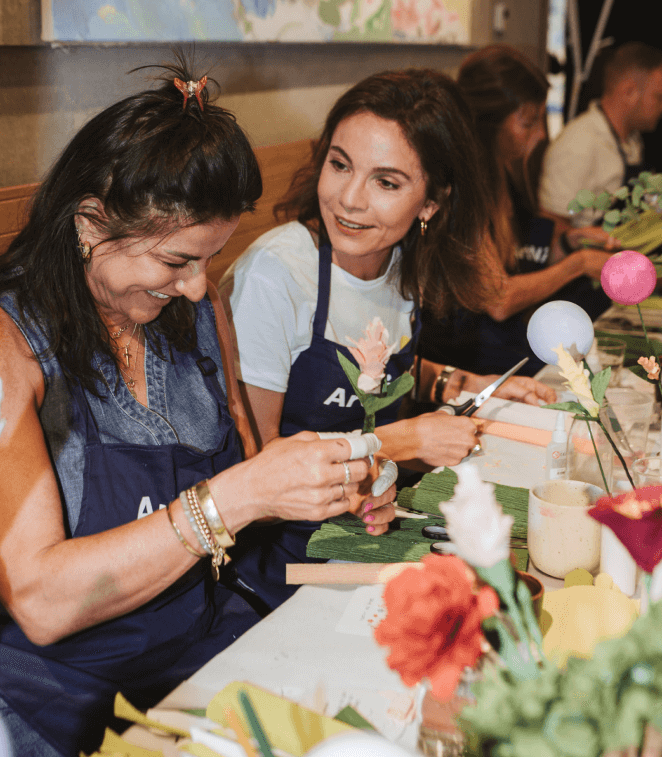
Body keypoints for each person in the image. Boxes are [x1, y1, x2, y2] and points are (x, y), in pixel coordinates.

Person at [0, 59, 384, 757]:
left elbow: (249, 492)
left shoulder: (194, 310)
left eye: (210, 260)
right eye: (177, 259)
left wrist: (323, 494)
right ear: (89, 223)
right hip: (58, 715)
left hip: (206, 663)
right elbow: (41, 600)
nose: (199, 287)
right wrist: (234, 499)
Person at [220, 68, 555, 610]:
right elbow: (258, 467)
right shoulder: (278, 276)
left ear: (431, 202)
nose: (350, 200)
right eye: (340, 164)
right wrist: (409, 442)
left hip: (368, 532)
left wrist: (460, 382)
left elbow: (377, 366)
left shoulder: (400, 261)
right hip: (278, 562)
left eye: (387, 182)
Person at [422, 45, 617, 376]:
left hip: (506, 338)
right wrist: (578, 264)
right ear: (488, 123)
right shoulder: (464, 188)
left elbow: (526, 257)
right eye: (529, 123)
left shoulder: (504, 170)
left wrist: (571, 242)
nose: (540, 135)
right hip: (470, 356)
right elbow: (499, 301)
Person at [539, 42, 662, 221]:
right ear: (629, 92)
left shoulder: (631, 139)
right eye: (659, 97)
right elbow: (551, 224)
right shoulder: (579, 142)